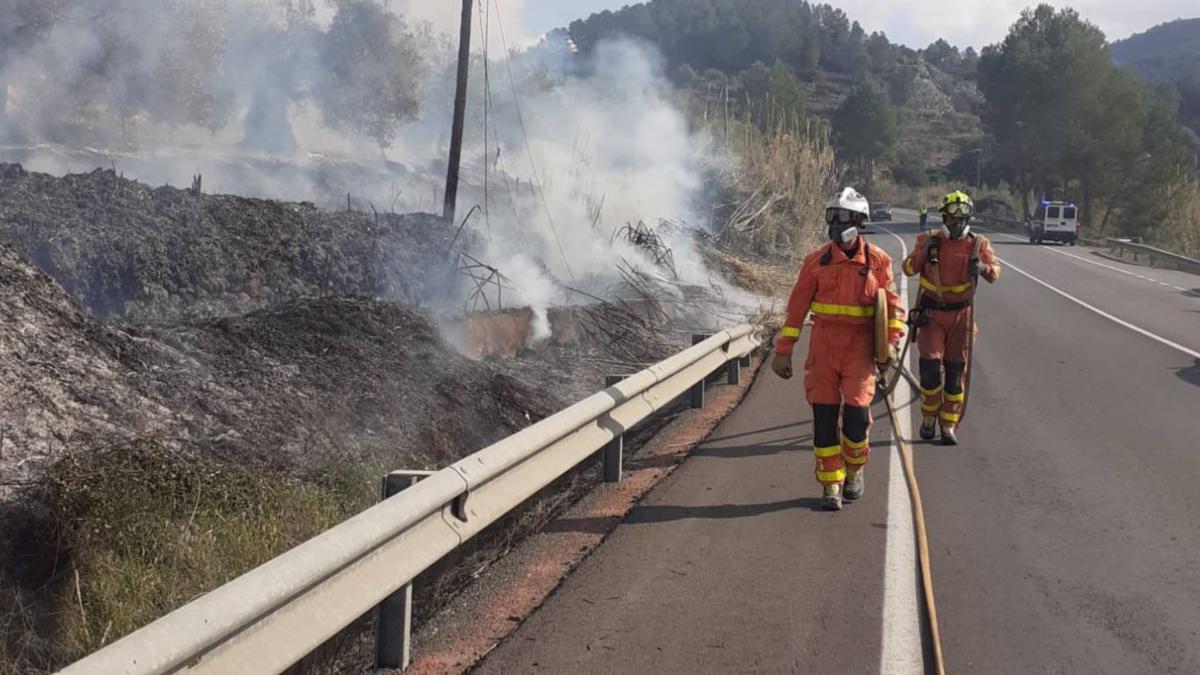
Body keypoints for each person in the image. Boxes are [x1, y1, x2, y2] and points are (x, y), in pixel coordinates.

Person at [772, 187, 905, 511]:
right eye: (832, 216)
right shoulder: (816, 262)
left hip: (859, 350)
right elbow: (796, 310)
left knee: (858, 418)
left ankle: (855, 471)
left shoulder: (878, 261)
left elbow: (893, 307)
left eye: (843, 217)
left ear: (859, 221)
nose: (836, 223)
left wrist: (891, 341)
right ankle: (830, 483)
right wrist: (784, 349)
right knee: (824, 418)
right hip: (824, 347)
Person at [902, 190, 1000, 445]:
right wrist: (924, 252)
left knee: (956, 374)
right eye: (949, 219)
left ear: (967, 219)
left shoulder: (978, 244)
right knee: (930, 370)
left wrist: (982, 267)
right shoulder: (929, 239)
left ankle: (948, 425)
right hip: (932, 315)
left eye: (959, 220)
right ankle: (928, 417)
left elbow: (995, 273)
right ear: (943, 218)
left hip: (962, 317)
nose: (953, 225)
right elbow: (908, 268)